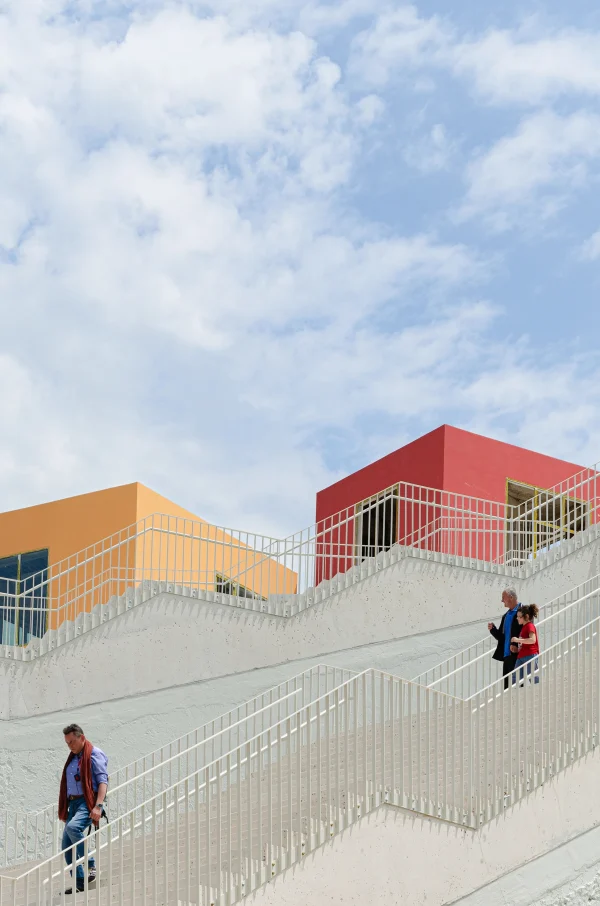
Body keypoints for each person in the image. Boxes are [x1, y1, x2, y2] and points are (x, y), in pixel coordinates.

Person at [59, 724, 108, 894]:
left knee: (73, 828)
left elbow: (103, 781)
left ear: (81, 737)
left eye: (72, 741)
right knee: (66, 846)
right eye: (67, 743)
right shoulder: (72, 758)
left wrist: (98, 806)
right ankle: (80, 882)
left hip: (87, 802)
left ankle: (91, 865)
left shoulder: (94, 754)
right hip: (73, 804)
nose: (70, 746)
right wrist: (66, 809)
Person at [488, 587, 521, 690]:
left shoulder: (523, 611)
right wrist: (493, 630)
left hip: (518, 655)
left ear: (510, 597)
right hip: (507, 656)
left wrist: (518, 646)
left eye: (503, 597)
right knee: (507, 689)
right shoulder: (505, 616)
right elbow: (502, 638)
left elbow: (527, 631)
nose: (502, 600)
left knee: (518, 687)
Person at [512, 604, 540, 684]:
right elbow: (525, 643)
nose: (517, 618)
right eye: (517, 616)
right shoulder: (523, 628)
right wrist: (517, 648)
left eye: (519, 617)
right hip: (521, 655)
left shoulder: (530, 626)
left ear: (526, 617)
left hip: (530, 655)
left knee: (532, 676)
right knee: (515, 678)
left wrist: (517, 640)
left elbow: (532, 640)